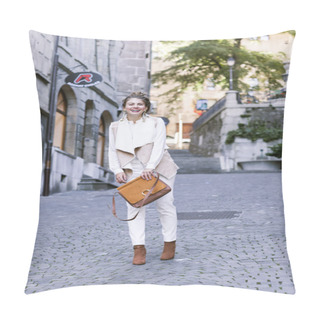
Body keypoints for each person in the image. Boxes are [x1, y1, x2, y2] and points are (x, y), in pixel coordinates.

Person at [108, 92, 179, 265]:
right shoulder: (115, 126)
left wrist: (150, 167)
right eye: (131, 103)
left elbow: (160, 145)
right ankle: (138, 249)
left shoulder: (156, 122)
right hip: (132, 170)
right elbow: (111, 150)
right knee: (134, 209)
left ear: (145, 107)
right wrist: (117, 170)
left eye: (139, 104)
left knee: (165, 206)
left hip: (159, 168)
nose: (135, 107)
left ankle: (169, 244)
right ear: (125, 107)